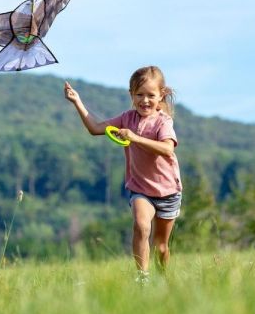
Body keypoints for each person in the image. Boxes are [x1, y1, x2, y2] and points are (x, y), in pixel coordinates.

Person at [64, 65, 182, 283]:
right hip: (140, 188)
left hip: (167, 192)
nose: (144, 100)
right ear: (131, 95)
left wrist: (135, 138)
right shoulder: (127, 118)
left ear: (161, 95)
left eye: (150, 95)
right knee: (141, 225)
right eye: (139, 95)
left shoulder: (163, 121)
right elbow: (96, 128)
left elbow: (167, 148)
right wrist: (77, 102)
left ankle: (163, 279)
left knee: (161, 246)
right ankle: (143, 278)